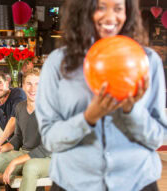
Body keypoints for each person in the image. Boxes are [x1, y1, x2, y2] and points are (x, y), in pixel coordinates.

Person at [35, 0, 167, 191]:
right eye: (101, 7)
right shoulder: (58, 63)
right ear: (84, 10)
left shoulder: (148, 61)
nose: (111, 17)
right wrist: (88, 118)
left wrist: (132, 112)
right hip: (73, 183)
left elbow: (159, 137)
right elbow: (50, 139)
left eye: (118, 8)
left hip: (136, 181)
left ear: (128, 13)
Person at [0, 68, 50, 191]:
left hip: (48, 158)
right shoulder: (20, 107)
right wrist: (2, 148)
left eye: (37, 84)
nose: (33, 88)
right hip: (25, 153)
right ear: (22, 86)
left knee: (30, 167)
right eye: (29, 84)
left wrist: (15, 162)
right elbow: (18, 138)